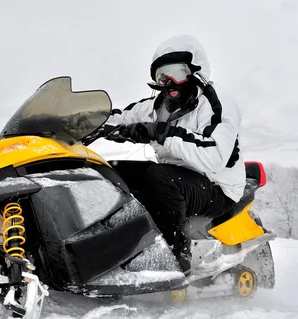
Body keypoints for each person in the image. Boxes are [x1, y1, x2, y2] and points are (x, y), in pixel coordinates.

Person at [103, 35, 245, 276]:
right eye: (161, 76)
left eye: (176, 72)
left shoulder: (214, 101)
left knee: (160, 176)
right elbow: (118, 117)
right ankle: (118, 245)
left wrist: (161, 132)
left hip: (217, 185)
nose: (168, 82)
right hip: (177, 178)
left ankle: (176, 256)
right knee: (112, 170)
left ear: (195, 70)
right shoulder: (154, 106)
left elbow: (214, 155)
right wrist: (83, 122)